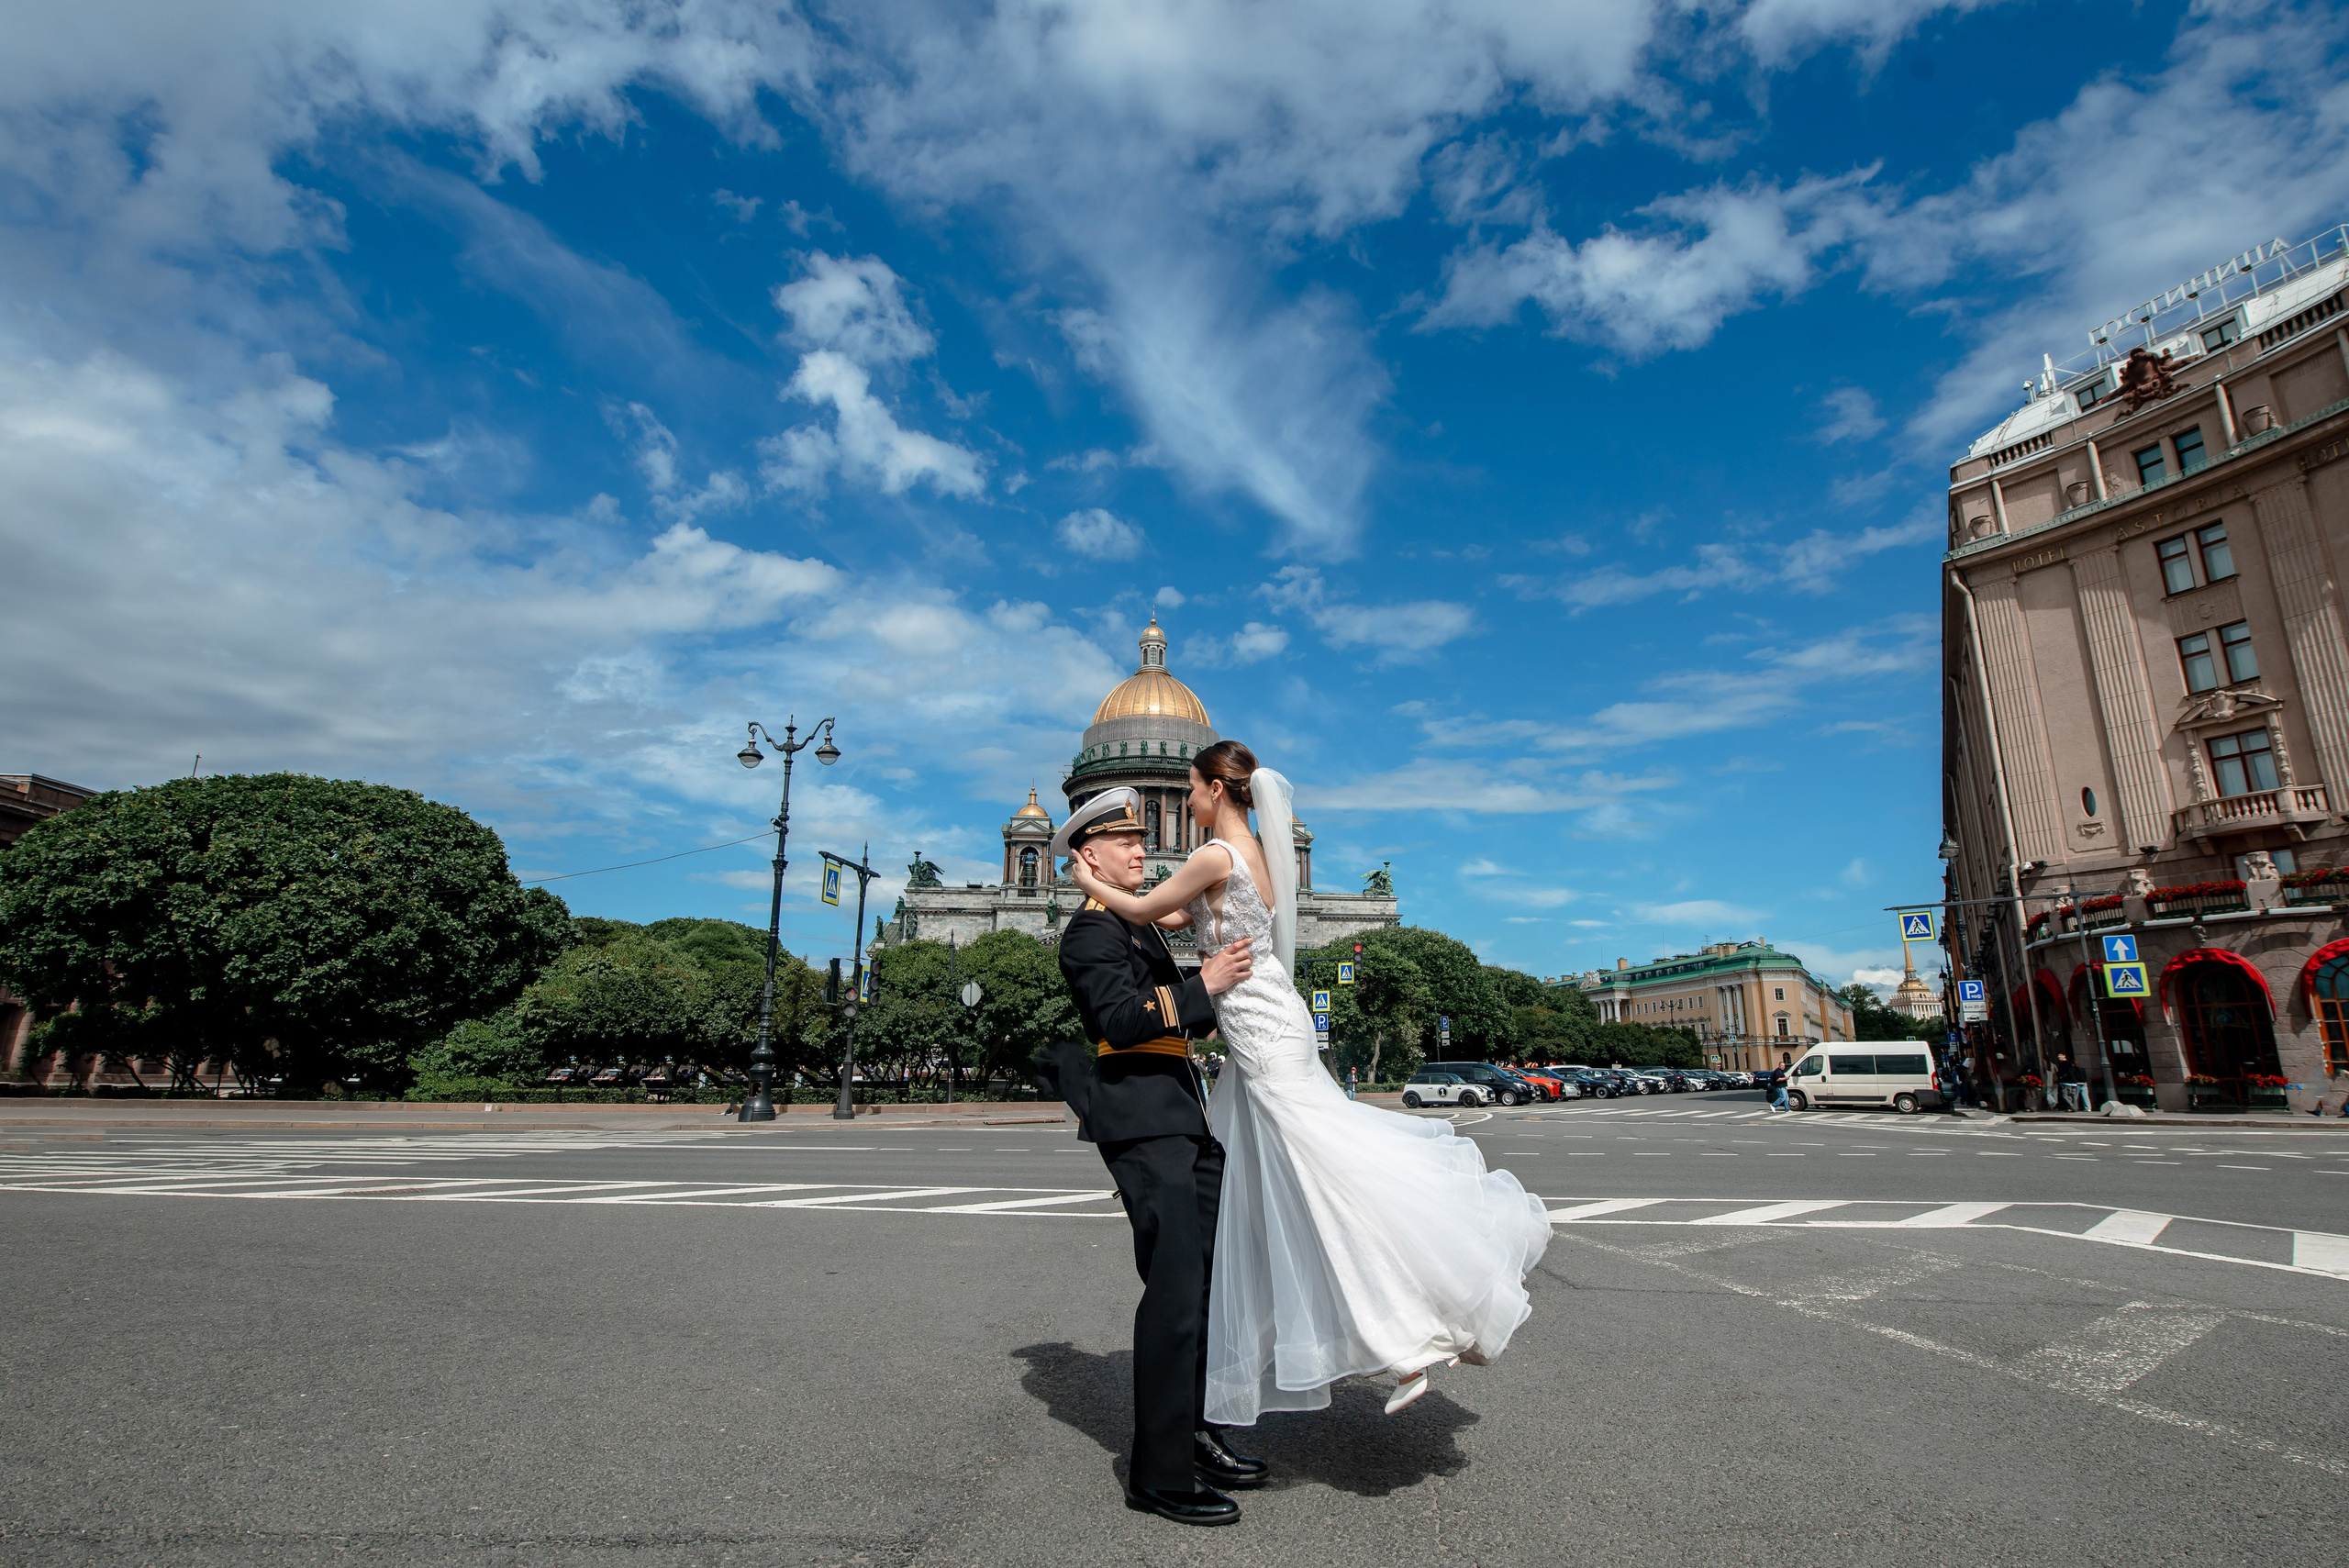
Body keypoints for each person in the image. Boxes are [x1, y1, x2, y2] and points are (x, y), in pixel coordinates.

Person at [1067, 741, 1551, 1431]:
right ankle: (1407, 1320)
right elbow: (1175, 917)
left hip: (1261, 1034)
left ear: (1213, 790)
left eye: (1190, 789)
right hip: (1270, 1022)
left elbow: (1146, 915)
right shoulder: (1257, 858)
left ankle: (1414, 1326)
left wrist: (1085, 880)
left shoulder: (1211, 856)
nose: (1185, 802)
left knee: (1323, 1179)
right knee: (1293, 1189)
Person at [1046, 788, 1266, 1528]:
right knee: (1173, 1295)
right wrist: (1201, 987)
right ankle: (1160, 1474)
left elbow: (1168, 986)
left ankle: (1196, 1431)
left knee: (1203, 1287)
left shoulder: (1135, 926)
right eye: (1126, 844)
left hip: (1180, 1116)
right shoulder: (1088, 934)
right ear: (1087, 855)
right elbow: (1117, 1018)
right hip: (1142, 1125)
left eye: (1143, 840)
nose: (1143, 851)